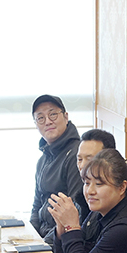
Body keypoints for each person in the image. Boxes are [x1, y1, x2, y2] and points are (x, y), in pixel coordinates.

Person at [29, 94, 82, 237]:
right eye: (40, 118)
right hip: (42, 235)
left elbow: (77, 211)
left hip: (60, 239)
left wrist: (45, 245)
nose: (47, 122)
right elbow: (36, 205)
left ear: (65, 117)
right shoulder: (43, 159)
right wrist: (30, 235)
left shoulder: (77, 155)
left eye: (53, 115)